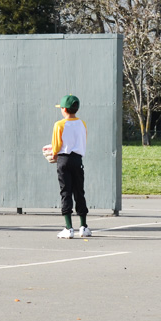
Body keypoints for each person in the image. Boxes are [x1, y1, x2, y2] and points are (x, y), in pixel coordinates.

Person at [49, 94, 90, 239]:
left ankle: (68, 227)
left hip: (64, 159)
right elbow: (83, 140)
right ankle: (83, 226)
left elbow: (56, 144)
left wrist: (54, 154)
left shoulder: (59, 124)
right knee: (79, 191)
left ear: (64, 109)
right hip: (77, 159)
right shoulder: (82, 123)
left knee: (66, 192)